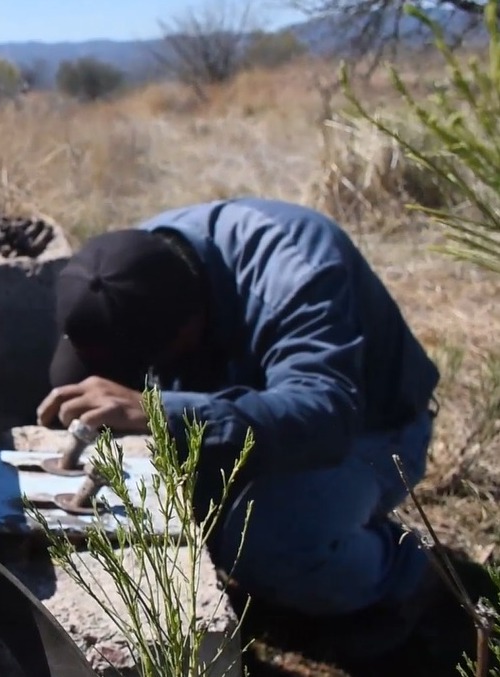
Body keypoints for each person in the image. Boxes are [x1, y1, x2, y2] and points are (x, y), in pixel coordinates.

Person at [35, 197, 458, 662]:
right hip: (250, 404)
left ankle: (407, 575)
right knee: (172, 495)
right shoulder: (125, 269)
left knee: (266, 539)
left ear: (192, 327)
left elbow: (325, 418)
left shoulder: (297, 272)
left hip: (372, 432)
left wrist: (163, 410)